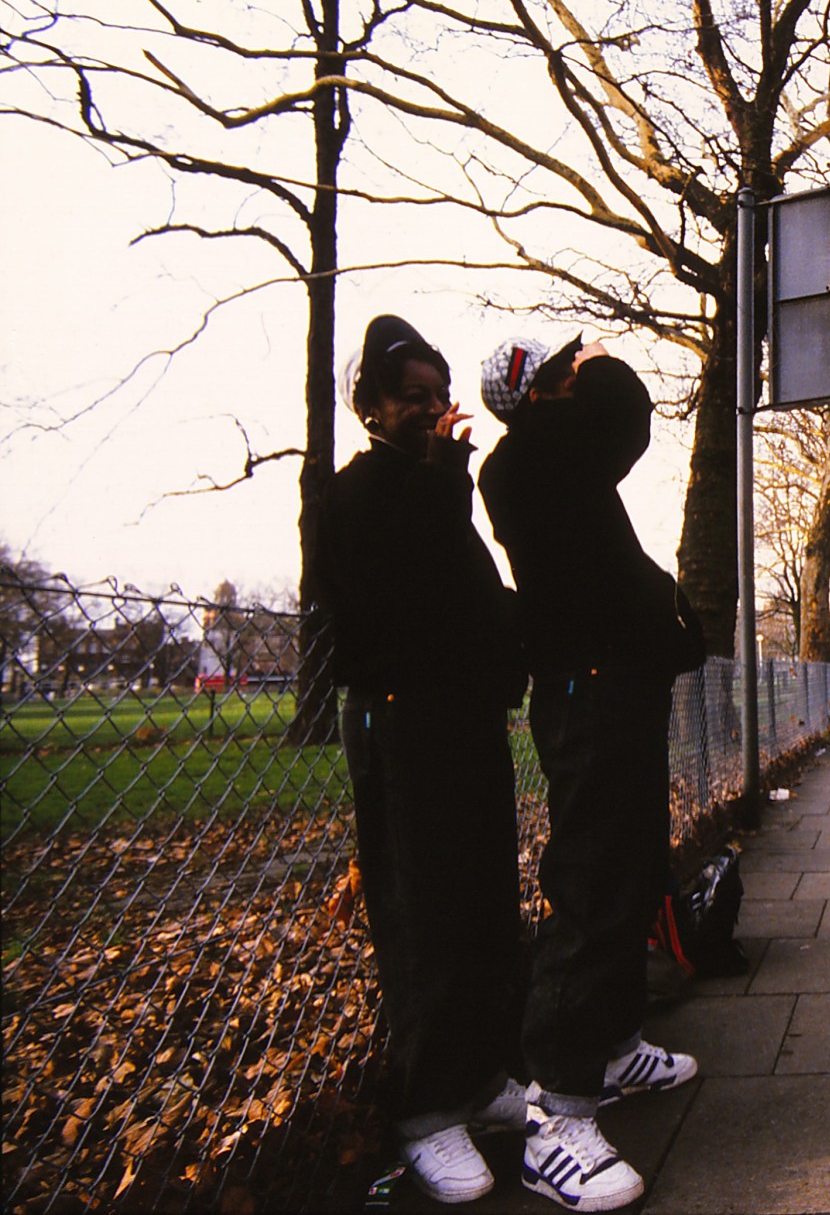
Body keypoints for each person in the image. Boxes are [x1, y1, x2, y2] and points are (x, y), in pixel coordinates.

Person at [479, 335, 703, 1211]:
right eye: (565, 372)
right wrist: (595, 373)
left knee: (635, 865)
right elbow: (625, 413)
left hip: (619, 683)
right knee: (590, 882)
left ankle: (612, 1049)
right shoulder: (529, 457)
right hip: (586, 694)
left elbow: (617, 422)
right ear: (537, 395)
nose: (586, 375)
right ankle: (558, 1115)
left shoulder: (556, 453)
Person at [321, 314, 528, 1204]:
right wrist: (445, 482)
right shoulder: (353, 493)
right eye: (414, 399)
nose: (437, 413)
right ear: (368, 408)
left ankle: (480, 1080)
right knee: (423, 915)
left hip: (465, 726)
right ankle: (423, 1111)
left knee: (486, 904)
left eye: (440, 397)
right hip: (402, 734)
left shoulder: (440, 491)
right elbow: (381, 595)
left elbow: (470, 597)